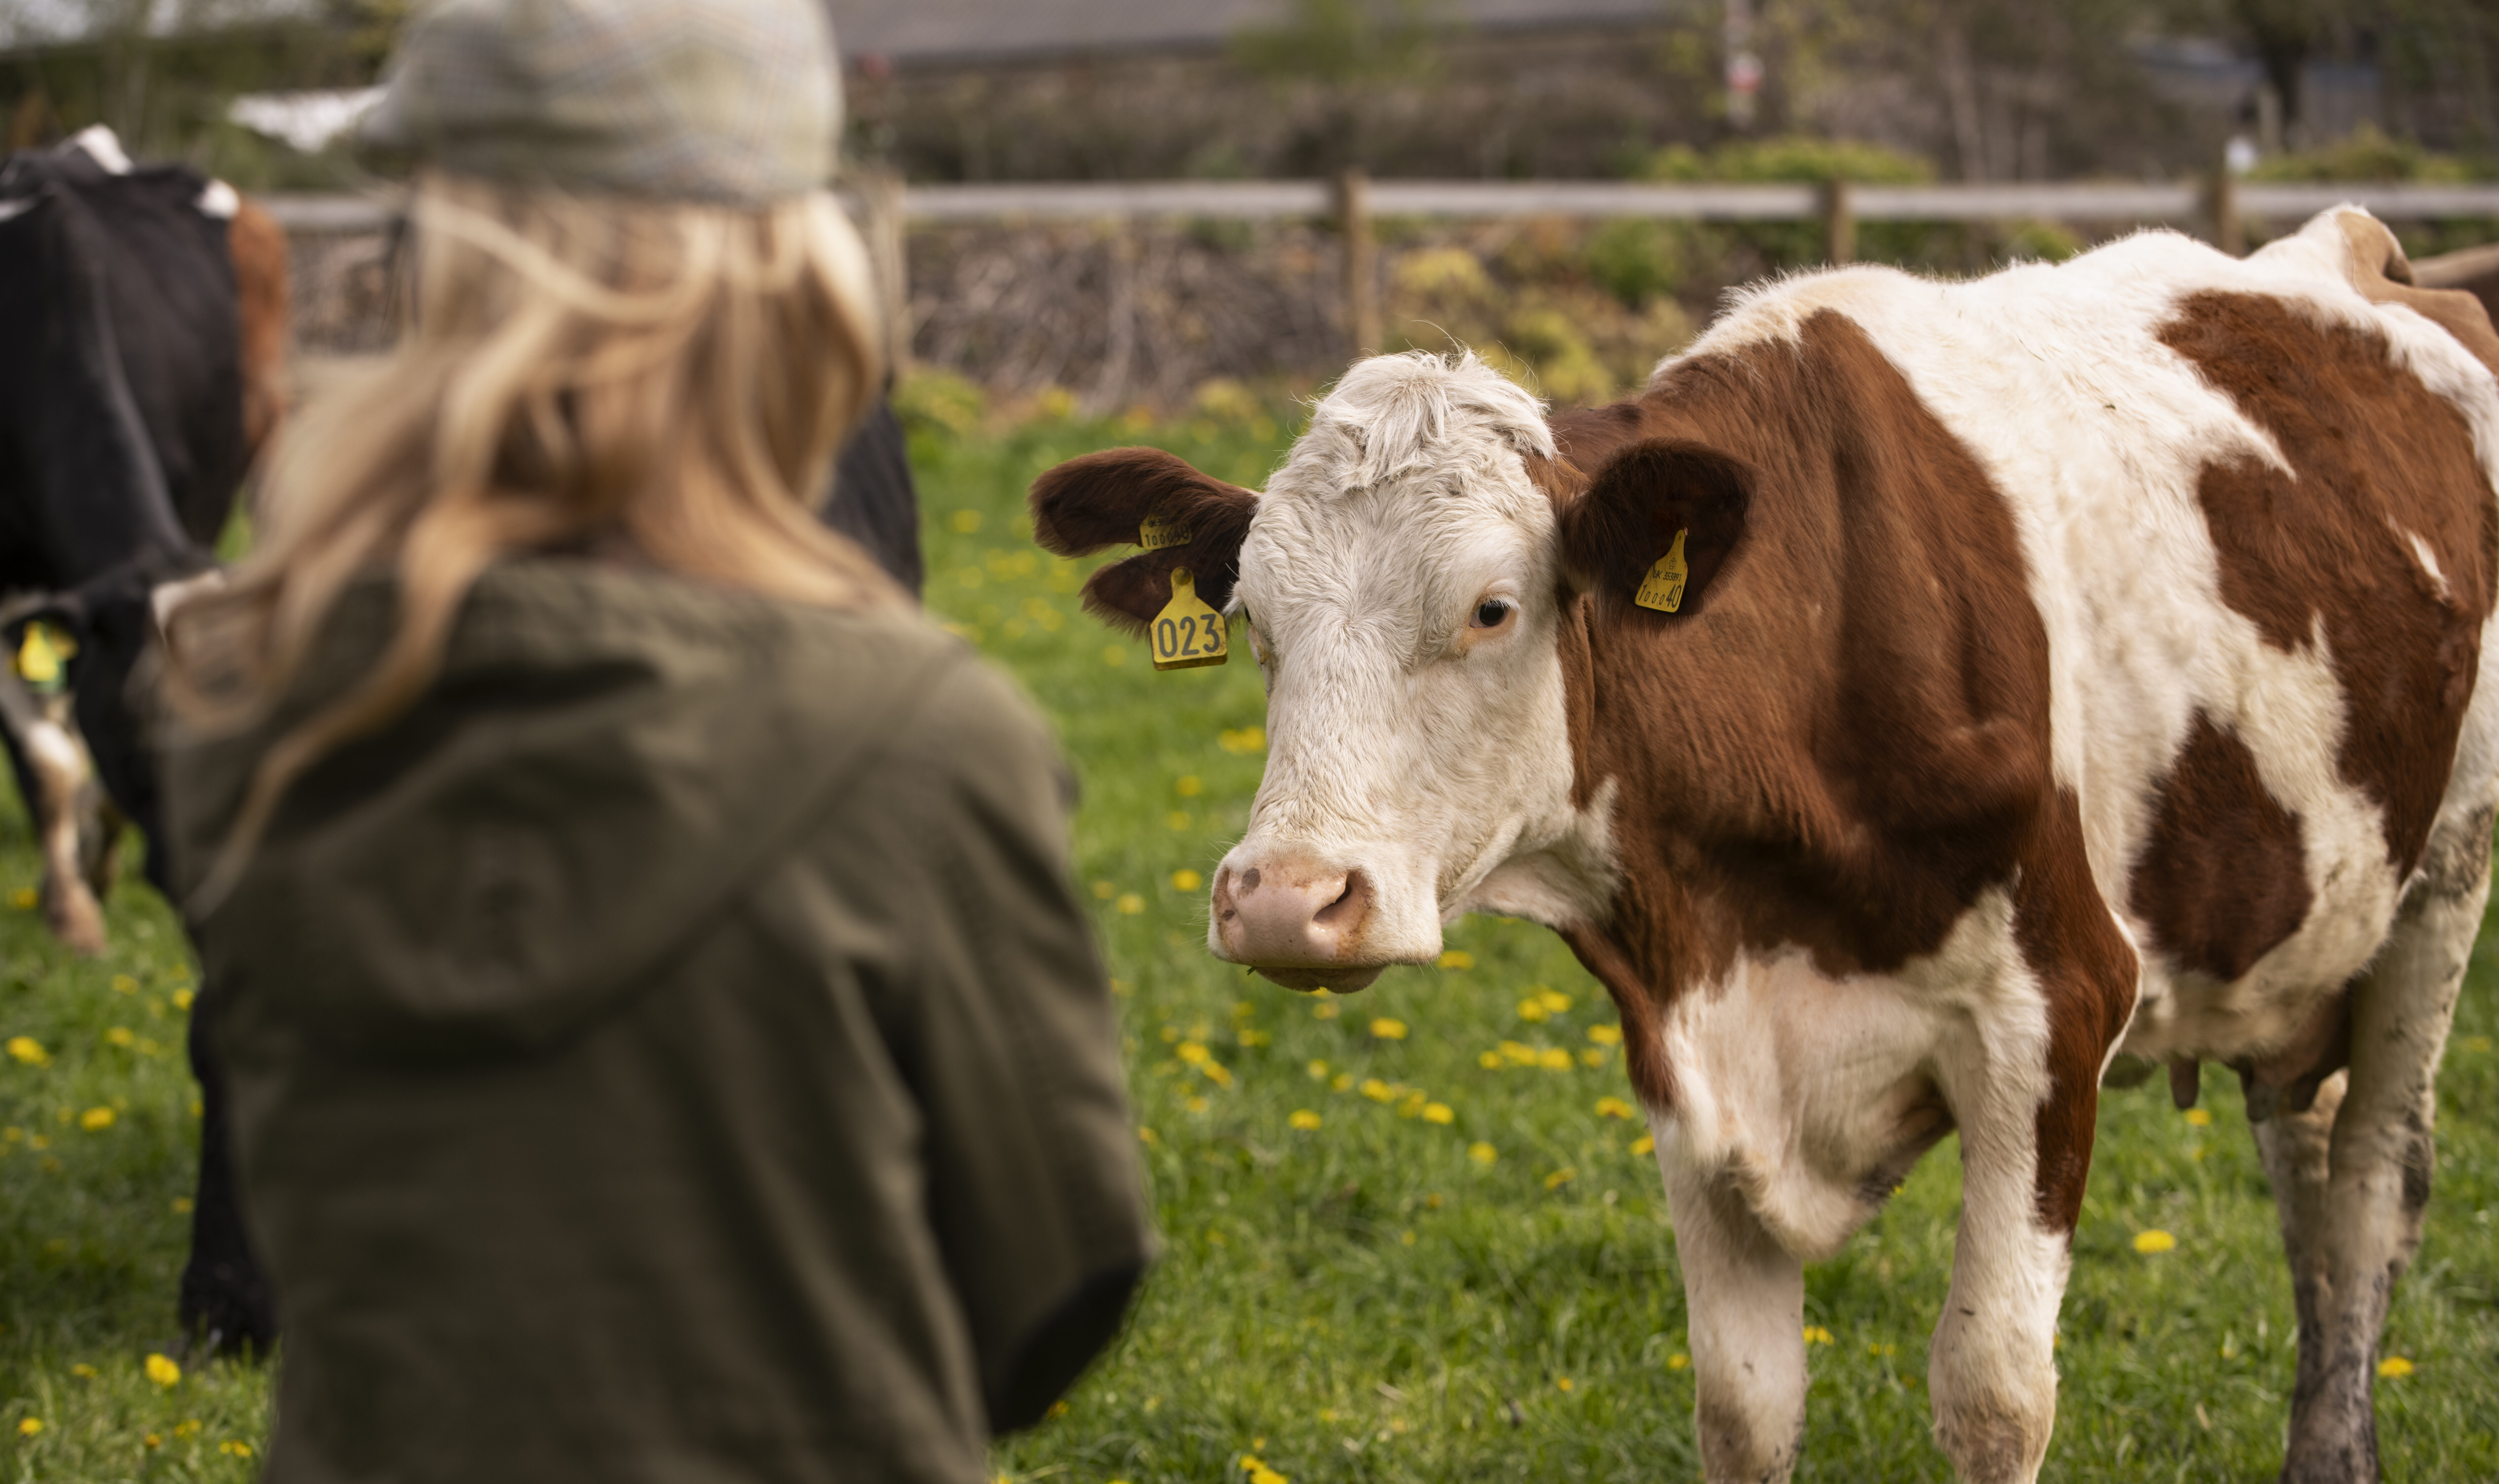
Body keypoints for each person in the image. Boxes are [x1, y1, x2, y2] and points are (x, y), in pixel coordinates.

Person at [154, 1, 1152, 1478]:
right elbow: (1054, 1278)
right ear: (797, 279)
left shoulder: (231, 703)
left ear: (432, 272)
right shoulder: (923, 743)